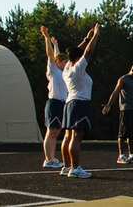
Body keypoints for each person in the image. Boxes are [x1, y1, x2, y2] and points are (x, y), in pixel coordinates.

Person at [61, 23, 101, 179]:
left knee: (68, 136)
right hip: (80, 103)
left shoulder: (67, 69)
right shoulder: (78, 68)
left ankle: (66, 166)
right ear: (78, 58)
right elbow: (88, 52)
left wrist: (86, 38)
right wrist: (96, 35)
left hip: (70, 103)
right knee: (77, 137)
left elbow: (74, 52)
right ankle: (75, 168)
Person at [102, 64, 133, 164]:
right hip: (126, 109)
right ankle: (121, 156)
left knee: (132, 133)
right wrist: (108, 105)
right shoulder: (123, 79)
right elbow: (115, 92)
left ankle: (132, 155)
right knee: (123, 133)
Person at [39, 26, 69, 168]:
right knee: (52, 132)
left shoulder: (62, 72)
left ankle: (52, 158)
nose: (66, 65)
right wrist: (46, 37)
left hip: (62, 103)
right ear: (59, 63)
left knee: (56, 132)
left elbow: (57, 55)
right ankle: (48, 159)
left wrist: (56, 44)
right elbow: (51, 56)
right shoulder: (52, 69)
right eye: (64, 62)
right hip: (54, 103)